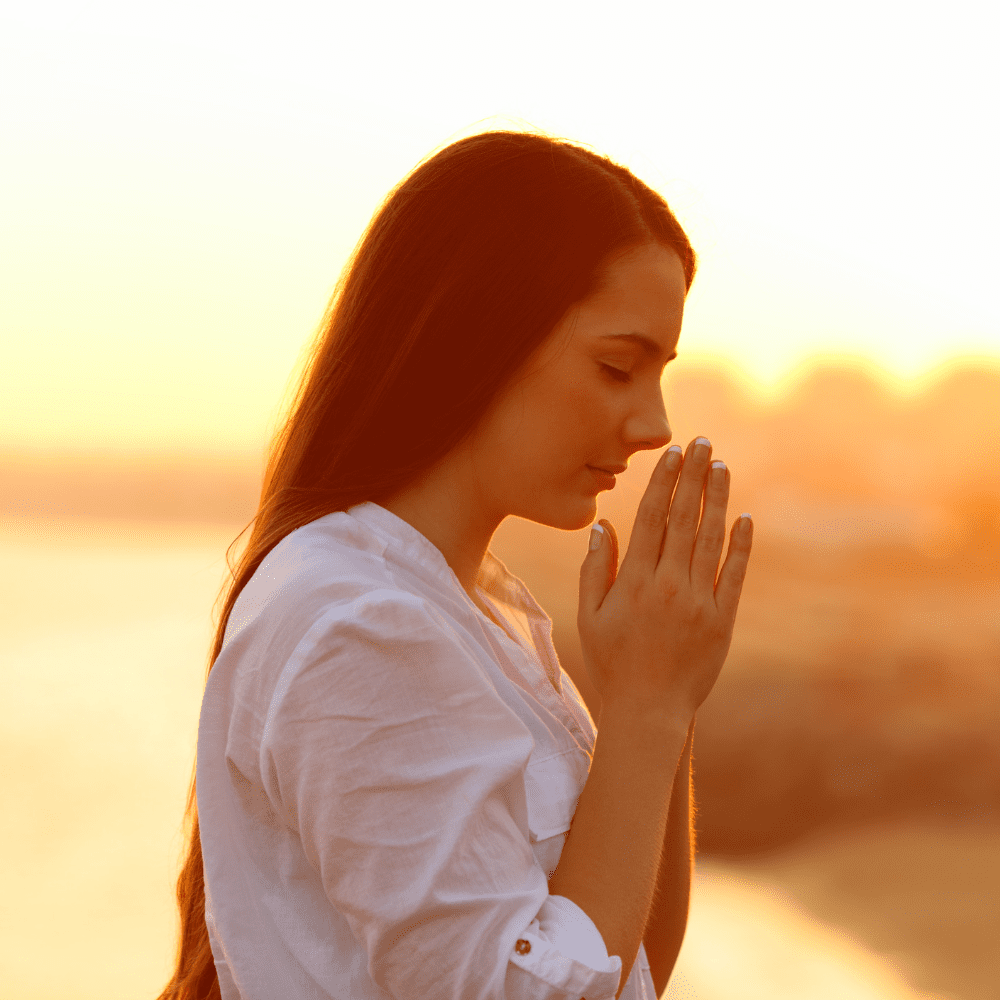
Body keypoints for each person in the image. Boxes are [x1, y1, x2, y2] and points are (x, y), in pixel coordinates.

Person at [156, 128, 753, 1000]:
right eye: (616, 367)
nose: (655, 422)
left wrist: (658, 700)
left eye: (657, 372)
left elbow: (630, 967)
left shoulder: (478, 612)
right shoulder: (354, 622)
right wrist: (647, 708)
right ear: (479, 336)